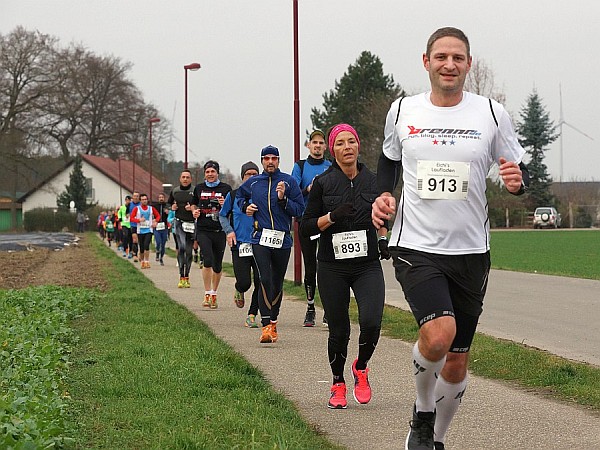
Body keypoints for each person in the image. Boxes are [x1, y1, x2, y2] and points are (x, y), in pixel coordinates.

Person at [371, 27, 529, 450]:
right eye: (441, 57)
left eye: (458, 58)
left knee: (457, 359)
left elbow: (518, 168)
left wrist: (516, 182)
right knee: (439, 335)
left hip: (471, 251)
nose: (449, 65)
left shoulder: (491, 114)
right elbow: (388, 160)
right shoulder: (403, 109)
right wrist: (383, 196)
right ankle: (423, 411)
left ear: (468, 64)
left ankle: (433, 440)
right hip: (416, 245)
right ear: (426, 62)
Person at [300, 124, 390, 410]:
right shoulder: (323, 184)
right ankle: (337, 382)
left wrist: (384, 238)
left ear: (358, 146)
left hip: (367, 265)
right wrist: (332, 216)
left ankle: (360, 367)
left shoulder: (374, 182)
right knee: (339, 331)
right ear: (332, 149)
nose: (347, 147)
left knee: (372, 322)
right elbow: (306, 228)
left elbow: (384, 218)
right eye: (340, 143)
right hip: (332, 266)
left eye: (352, 141)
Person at [236, 145, 304, 343]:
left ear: (279, 161)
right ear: (262, 161)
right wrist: (245, 207)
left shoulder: (289, 182)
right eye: (266, 158)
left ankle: (273, 321)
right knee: (264, 278)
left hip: (282, 238)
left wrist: (284, 200)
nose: (270, 162)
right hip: (260, 238)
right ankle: (266, 325)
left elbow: (299, 209)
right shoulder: (254, 182)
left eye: (274, 158)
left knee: (276, 281)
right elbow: (239, 197)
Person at [292, 129, 332, 327]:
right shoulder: (300, 166)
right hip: (307, 222)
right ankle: (310, 308)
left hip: (327, 222)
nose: (317, 146)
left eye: (320, 143)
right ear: (308, 145)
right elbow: (293, 192)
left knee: (328, 267)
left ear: (325, 147)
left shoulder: (331, 166)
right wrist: (309, 188)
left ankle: (328, 310)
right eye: (314, 143)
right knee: (311, 267)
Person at [219, 161, 261, 327]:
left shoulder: (263, 195)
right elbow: (223, 216)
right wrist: (229, 231)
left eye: (255, 174)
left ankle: (252, 314)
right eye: (248, 174)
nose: (251, 177)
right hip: (240, 244)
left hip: (260, 243)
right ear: (243, 177)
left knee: (261, 280)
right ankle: (239, 289)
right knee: (245, 282)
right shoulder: (234, 195)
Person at [191, 160, 232, 308]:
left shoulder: (226, 188)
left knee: (217, 265)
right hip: (203, 229)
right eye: (207, 172)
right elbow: (194, 204)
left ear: (217, 173)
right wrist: (194, 211)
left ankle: (214, 293)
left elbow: (231, 209)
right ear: (204, 174)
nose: (210, 174)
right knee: (207, 260)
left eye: (212, 172)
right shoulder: (199, 188)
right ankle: (207, 292)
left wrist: (224, 204)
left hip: (220, 230)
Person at [168, 169, 196, 287]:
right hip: (179, 223)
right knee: (182, 247)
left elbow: (200, 205)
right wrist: (172, 207)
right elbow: (168, 203)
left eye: (187, 177)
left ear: (191, 179)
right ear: (180, 179)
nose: (185, 179)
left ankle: (186, 276)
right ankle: (181, 275)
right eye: (183, 177)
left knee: (189, 252)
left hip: (191, 224)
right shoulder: (175, 191)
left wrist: (193, 208)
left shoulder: (195, 191)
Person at [129, 193, 160, 269]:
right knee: (142, 247)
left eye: (145, 199)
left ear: (147, 200)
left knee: (146, 245)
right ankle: (142, 261)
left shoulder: (151, 208)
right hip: (140, 230)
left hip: (149, 229)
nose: (144, 201)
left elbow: (158, 215)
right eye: (142, 200)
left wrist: (155, 221)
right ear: (140, 201)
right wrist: (139, 220)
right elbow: (131, 218)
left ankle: (147, 261)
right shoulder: (137, 208)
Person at [152, 192, 170, 266]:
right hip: (157, 226)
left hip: (164, 226)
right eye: (160, 197)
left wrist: (168, 213)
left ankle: (161, 258)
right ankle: (157, 251)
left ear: (164, 198)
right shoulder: (155, 206)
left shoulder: (167, 206)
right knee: (158, 242)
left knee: (163, 244)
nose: (161, 199)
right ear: (158, 198)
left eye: (162, 197)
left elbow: (171, 214)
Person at [129, 191, 141, 262]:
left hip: (141, 225)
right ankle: (135, 255)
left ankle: (140, 253)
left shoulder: (141, 204)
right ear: (132, 197)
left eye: (137, 196)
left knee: (141, 241)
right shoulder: (129, 205)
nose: (136, 197)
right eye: (134, 196)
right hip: (133, 224)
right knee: (135, 240)